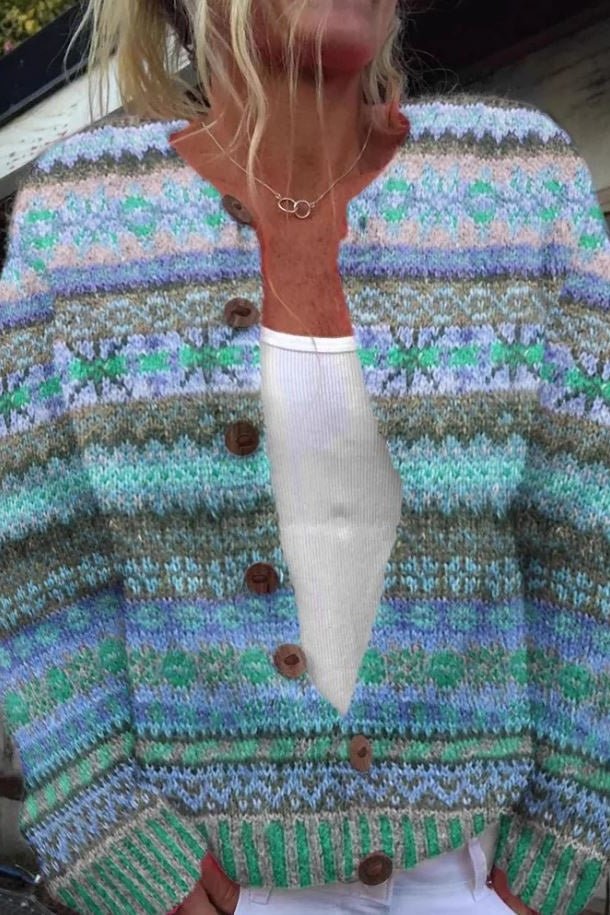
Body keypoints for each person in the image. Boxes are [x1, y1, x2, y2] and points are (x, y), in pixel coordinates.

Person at [0, 0, 608, 912]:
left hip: (474, 875)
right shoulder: (79, 220)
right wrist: (106, 829)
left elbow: (586, 534)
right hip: (205, 879)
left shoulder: (518, 183)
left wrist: (567, 831)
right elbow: (43, 562)